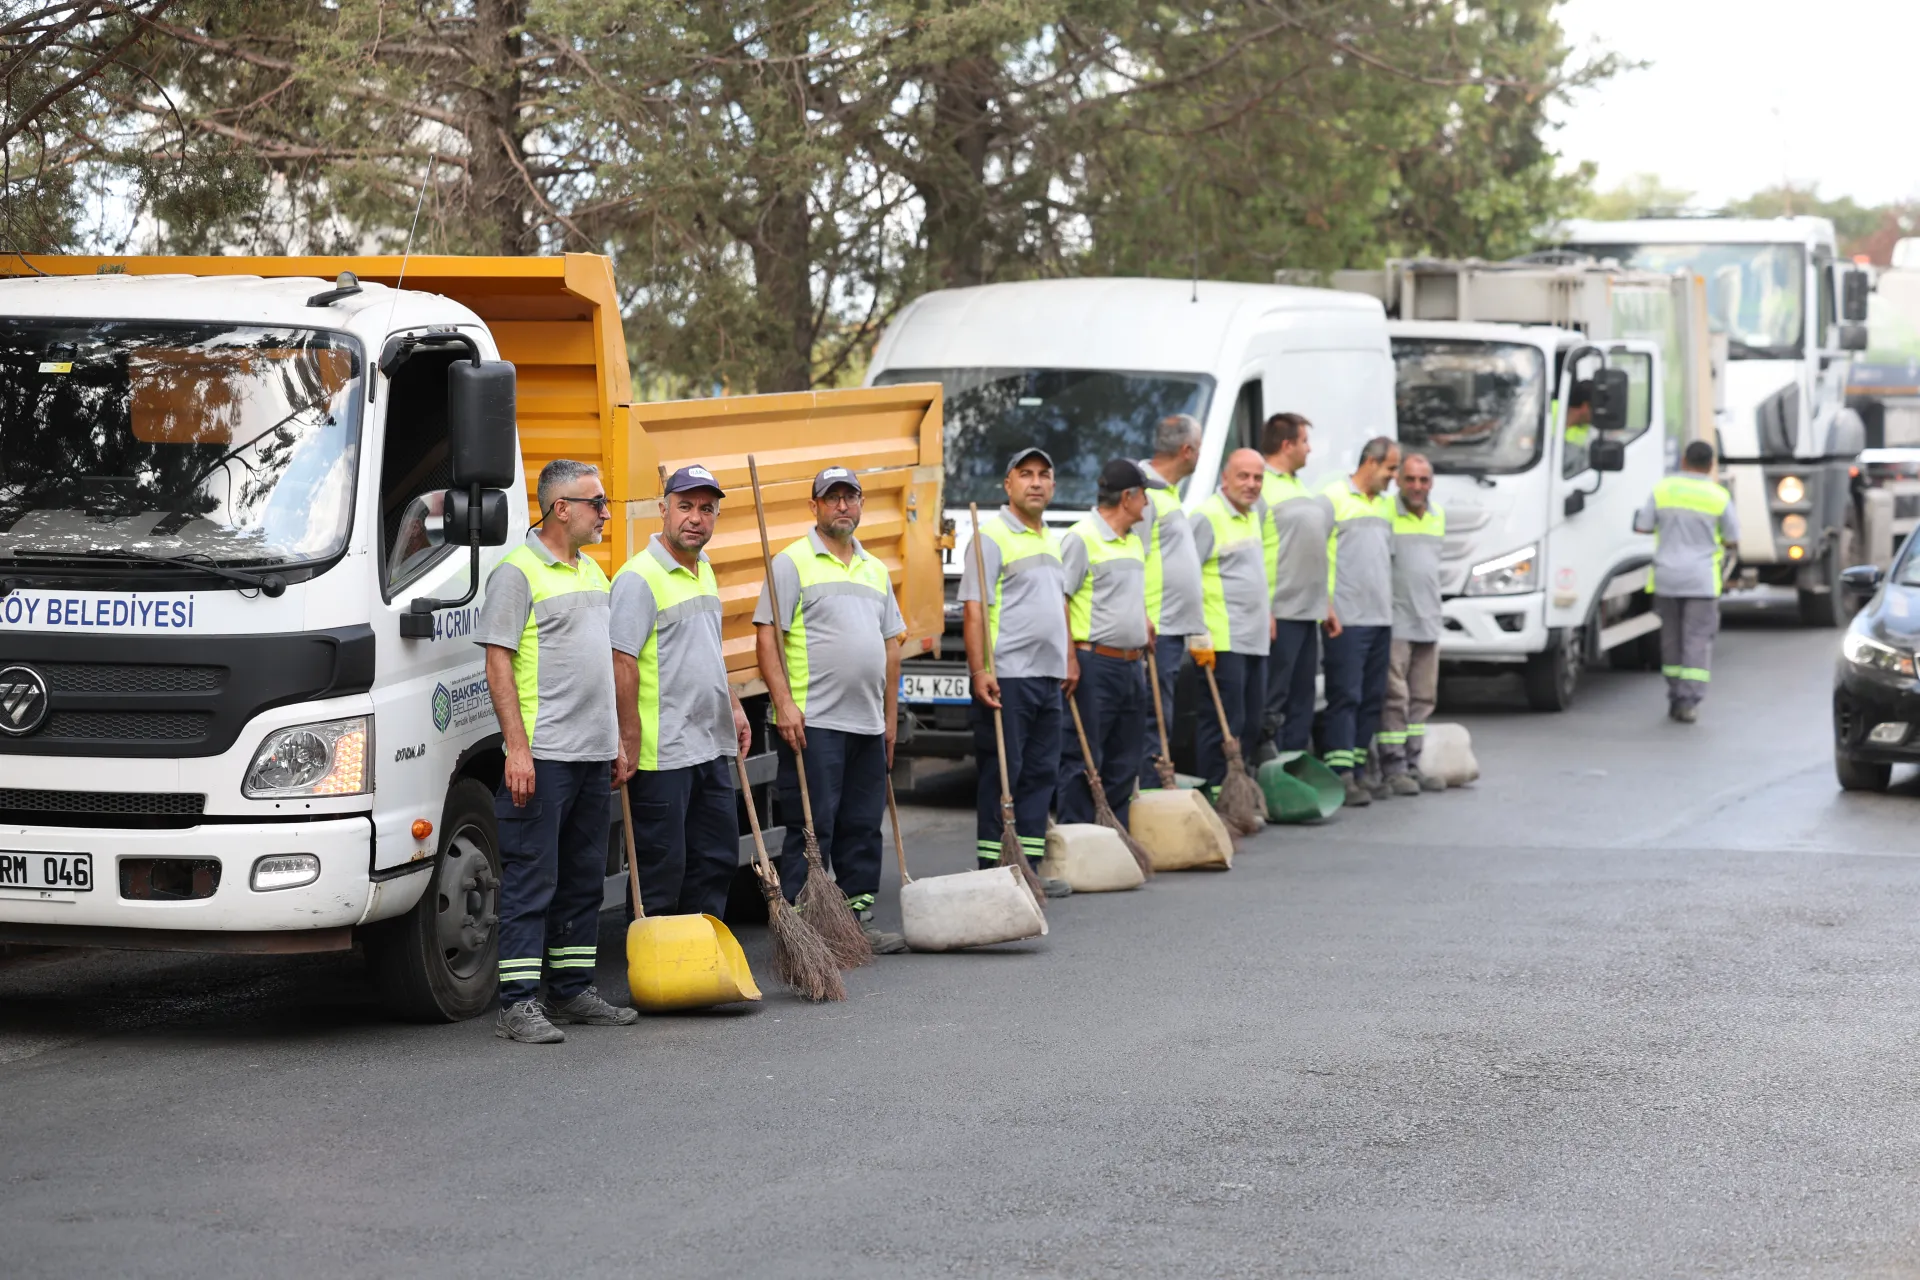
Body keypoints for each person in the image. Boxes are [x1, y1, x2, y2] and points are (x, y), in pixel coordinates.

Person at [475, 458, 637, 1044]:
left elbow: (606, 665)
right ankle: (517, 1004)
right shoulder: (518, 574)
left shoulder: (593, 572)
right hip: (543, 757)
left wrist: (618, 739)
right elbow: (497, 663)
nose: (605, 512)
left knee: (582, 879)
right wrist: (516, 751)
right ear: (561, 507)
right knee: (530, 882)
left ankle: (570, 991)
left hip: (592, 756)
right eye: (596, 502)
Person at [754, 466, 910, 952]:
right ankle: (803, 926)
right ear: (815, 506)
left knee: (863, 824)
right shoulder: (792, 562)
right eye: (832, 497)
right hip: (814, 722)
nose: (842, 505)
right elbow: (766, 637)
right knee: (812, 824)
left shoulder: (875, 569)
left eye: (850, 497)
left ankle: (856, 919)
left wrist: (889, 719)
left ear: (861, 505)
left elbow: (890, 648)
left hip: (866, 722)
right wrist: (784, 705)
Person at [611, 465, 753, 920]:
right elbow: (621, 662)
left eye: (707, 509)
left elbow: (708, 649)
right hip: (661, 754)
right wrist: (628, 739)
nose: (696, 518)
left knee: (715, 860)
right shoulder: (639, 578)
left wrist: (734, 704)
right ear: (663, 509)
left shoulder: (704, 569)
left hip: (709, 745)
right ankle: (658, 976)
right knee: (662, 870)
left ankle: (698, 968)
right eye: (686, 506)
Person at [960, 448, 1076, 897]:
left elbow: (1059, 604)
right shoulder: (990, 536)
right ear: (1008, 485)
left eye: (1044, 475)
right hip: (1007, 674)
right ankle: (993, 867)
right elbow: (974, 608)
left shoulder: (1050, 536)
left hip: (1048, 675)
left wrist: (1068, 656)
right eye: (1025, 474)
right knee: (1001, 771)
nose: (1036, 482)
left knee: (1039, 772)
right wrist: (980, 668)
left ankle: (1027, 866)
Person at [1058, 459, 1151, 826]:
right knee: (1083, 757)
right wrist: (1068, 658)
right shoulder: (1081, 538)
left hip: (1133, 665)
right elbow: (1059, 599)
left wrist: (1142, 623)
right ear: (1127, 497)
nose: (1147, 503)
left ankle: (1114, 840)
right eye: (1144, 495)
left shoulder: (1132, 541)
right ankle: (1079, 841)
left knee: (1126, 759)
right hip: (1096, 664)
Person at [1634, 440, 1739, 723]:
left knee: (1671, 639)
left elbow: (1642, 525)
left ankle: (1674, 692)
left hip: (1667, 578)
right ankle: (1688, 701)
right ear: (1711, 465)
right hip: (1701, 581)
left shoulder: (1663, 489)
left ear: (1683, 461)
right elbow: (1732, 538)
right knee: (1697, 640)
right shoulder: (1718, 496)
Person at [1321, 437, 1400, 806]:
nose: (1394, 477)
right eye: (1391, 469)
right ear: (1371, 462)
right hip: (1347, 619)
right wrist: (1327, 605)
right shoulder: (1333, 498)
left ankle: (1359, 769)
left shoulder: (1385, 506)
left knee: (1371, 697)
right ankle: (1340, 774)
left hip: (1379, 617)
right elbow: (1316, 558)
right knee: (1346, 696)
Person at [1257, 412, 1339, 763]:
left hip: (1310, 610)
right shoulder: (1260, 487)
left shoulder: (1301, 487)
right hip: (1281, 609)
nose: (1310, 449)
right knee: (1274, 696)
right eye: (1305, 441)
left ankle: (1293, 768)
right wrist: (1264, 608)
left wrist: (1328, 604)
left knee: (1302, 697)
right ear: (1287, 444)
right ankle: (1264, 767)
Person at [1190, 448, 1271, 799]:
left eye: (1257, 478)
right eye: (1243, 476)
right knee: (1221, 721)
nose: (1251, 485)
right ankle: (1212, 791)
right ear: (1225, 478)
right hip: (1221, 638)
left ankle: (1235, 790)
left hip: (1253, 636)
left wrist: (1267, 615)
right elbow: (1188, 576)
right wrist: (1197, 631)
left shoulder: (1255, 513)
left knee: (1251, 721)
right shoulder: (1206, 517)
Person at [1136, 415, 1208, 787]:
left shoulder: (1166, 491)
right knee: (1153, 716)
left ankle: (1154, 793)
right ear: (1186, 450)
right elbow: (1130, 555)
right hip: (1154, 628)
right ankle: (1148, 798)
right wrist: (1140, 615)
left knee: (1161, 714)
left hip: (1169, 628)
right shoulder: (1143, 493)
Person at [1380, 452, 1446, 795]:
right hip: (1397, 621)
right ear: (1399, 481)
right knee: (1395, 697)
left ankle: (1413, 763)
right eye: (1410, 479)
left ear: (1431, 482)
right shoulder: (1386, 514)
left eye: (1423, 480)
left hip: (1428, 622)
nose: (1417, 486)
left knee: (1422, 697)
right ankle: (1393, 766)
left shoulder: (1438, 516)